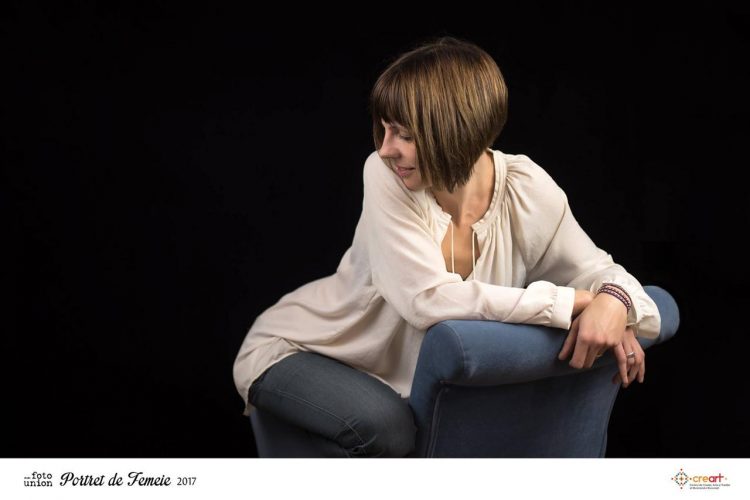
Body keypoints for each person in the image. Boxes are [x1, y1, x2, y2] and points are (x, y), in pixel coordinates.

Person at [232, 36, 661, 458]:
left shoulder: (526, 188)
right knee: (388, 429)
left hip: (392, 381)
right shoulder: (385, 176)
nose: (386, 149)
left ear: (457, 131)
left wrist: (613, 303)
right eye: (384, 129)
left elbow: (602, 271)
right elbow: (427, 300)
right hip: (303, 347)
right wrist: (578, 302)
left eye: (404, 134)